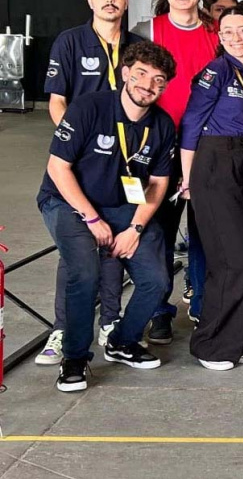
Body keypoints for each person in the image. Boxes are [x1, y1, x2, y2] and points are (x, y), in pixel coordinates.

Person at [38, 41, 177, 392]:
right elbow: (58, 167)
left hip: (123, 207)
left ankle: (123, 341)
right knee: (85, 273)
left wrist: (136, 226)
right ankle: (74, 357)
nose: (148, 85)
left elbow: (159, 183)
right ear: (126, 73)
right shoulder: (88, 107)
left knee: (156, 279)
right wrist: (91, 219)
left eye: (158, 80)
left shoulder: (161, 125)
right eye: (142, 73)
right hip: (68, 201)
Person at [37, 0, 143, 365]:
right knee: (76, 250)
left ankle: (111, 323)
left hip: (124, 165)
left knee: (114, 246)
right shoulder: (70, 42)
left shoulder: (136, 46)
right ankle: (63, 330)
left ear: (126, 0)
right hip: (80, 161)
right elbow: (57, 101)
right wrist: (73, 143)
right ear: (90, 0)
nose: (110, 0)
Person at [132, 0, 220, 342]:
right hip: (160, 151)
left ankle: (202, 306)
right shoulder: (146, 30)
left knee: (205, 234)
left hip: (205, 149)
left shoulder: (217, 33)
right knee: (160, 235)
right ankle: (160, 310)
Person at [179, 7, 243, 370]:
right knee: (232, 261)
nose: (236, 37)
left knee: (242, 257)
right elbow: (191, 124)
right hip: (213, 162)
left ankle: (231, 340)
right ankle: (210, 346)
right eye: (228, 31)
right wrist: (188, 179)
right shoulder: (214, 72)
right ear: (219, 37)